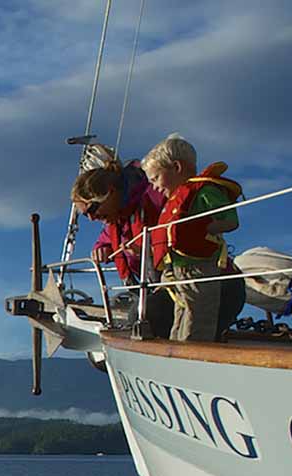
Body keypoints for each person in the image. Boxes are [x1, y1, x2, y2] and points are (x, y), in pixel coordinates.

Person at [140, 134, 245, 341]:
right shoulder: (175, 200)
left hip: (200, 267)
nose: (154, 186)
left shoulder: (205, 192)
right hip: (177, 267)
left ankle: (192, 352)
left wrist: (204, 228)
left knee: (199, 314)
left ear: (176, 168)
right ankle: (176, 348)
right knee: (181, 314)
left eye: (155, 178)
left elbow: (230, 219)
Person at [72, 161, 172, 338]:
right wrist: (101, 248)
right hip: (146, 288)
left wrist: (148, 250)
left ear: (110, 192)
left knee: (141, 317)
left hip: (173, 282)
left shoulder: (154, 197)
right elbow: (105, 239)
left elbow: (178, 230)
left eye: (92, 209)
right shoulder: (117, 220)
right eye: (85, 215)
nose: (91, 218)